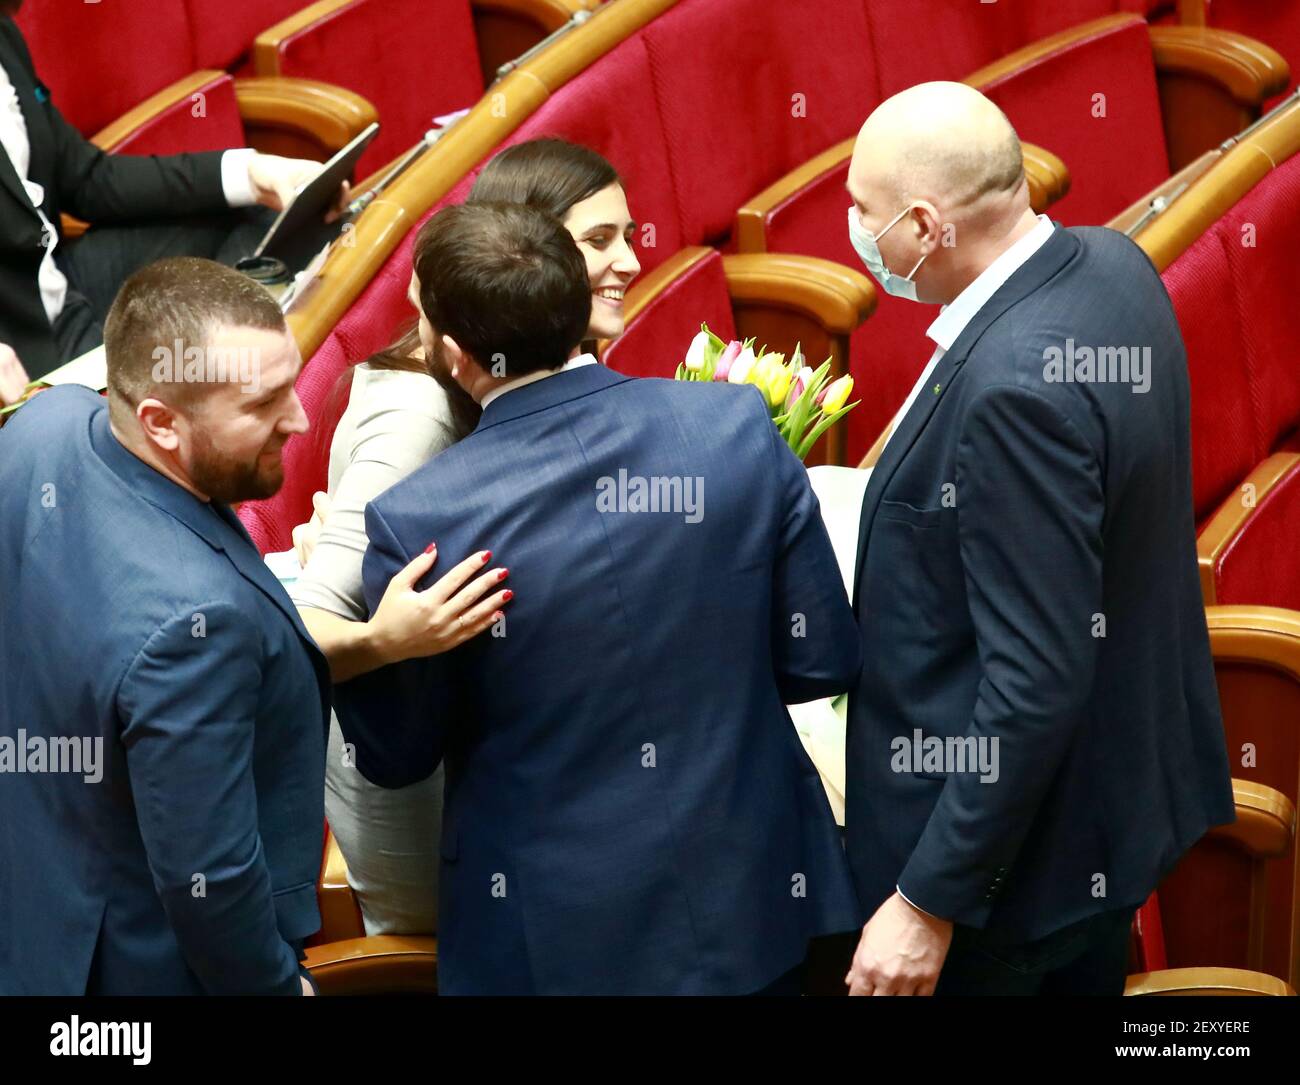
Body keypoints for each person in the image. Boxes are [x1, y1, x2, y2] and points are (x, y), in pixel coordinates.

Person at [333, 201, 862, 994]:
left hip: (555, 946)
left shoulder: (419, 522)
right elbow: (822, 658)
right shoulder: (734, 425)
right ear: (583, 307)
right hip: (759, 895)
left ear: (452, 351)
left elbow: (397, 757)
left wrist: (372, 638)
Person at [840, 82, 1235, 996]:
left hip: (1015, 878)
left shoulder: (1016, 394)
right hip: (1105, 801)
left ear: (928, 226)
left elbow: (1036, 677)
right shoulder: (1109, 261)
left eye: (865, 211)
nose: (854, 231)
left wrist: (926, 898)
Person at [287, 139, 641, 936]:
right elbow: (300, 631)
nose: (628, 263)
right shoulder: (414, 417)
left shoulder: (546, 369)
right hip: (415, 792)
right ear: (521, 257)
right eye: (599, 242)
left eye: (630, 235)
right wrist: (388, 637)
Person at [0, 257, 329, 994]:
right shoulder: (194, 625)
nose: (299, 418)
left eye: (293, 381)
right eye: (264, 402)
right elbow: (209, 879)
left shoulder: (42, 422)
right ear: (160, 422)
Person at [0, 6, 348, 399]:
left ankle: (244, 374)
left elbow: (84, 178)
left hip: (62, 281)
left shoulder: (4, 34)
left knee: (269, 218)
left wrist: (251, 173)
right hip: (21, 344)